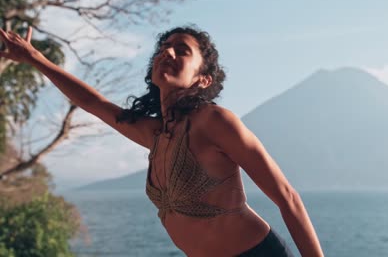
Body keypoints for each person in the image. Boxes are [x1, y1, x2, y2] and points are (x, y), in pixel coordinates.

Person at [0, 25, 324, 257]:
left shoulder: (214, 122)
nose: (167, 52)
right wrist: (33, 58)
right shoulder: (155, 135)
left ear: (203, 78)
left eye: (182, 50)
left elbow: (287, 197)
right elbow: (95, 104)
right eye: (163, 48)